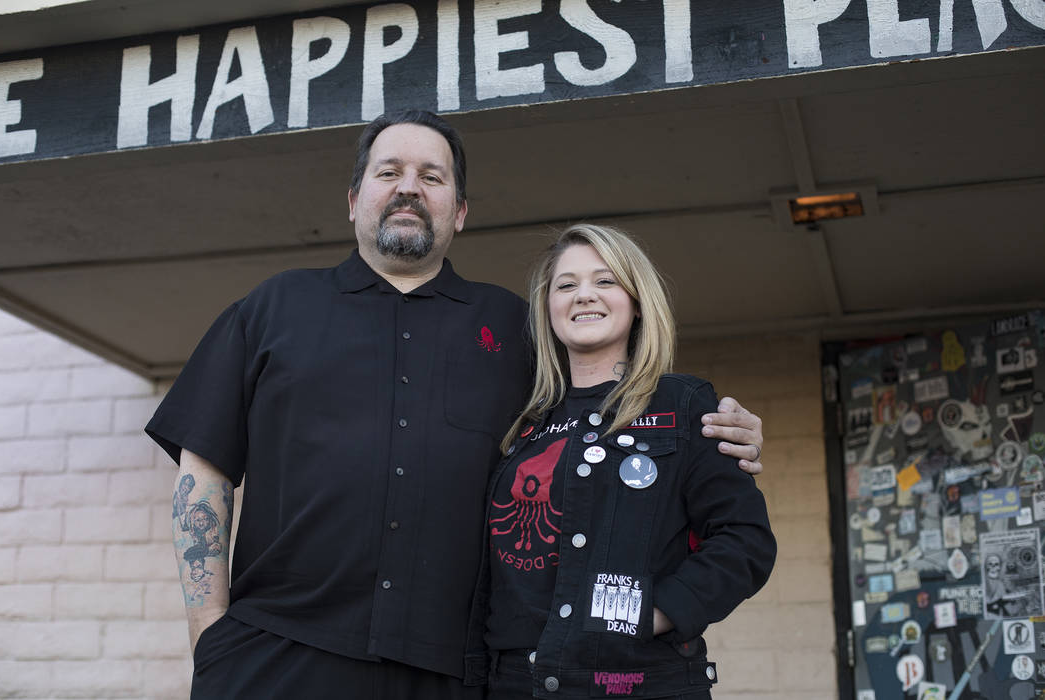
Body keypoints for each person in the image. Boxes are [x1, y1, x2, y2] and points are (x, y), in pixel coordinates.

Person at [145, 110, 766, 699]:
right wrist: (210, 636)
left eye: (432, 177)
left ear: (460, 211)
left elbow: (599, 405)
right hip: (278, 654)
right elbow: (205, 472)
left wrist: (716, 432)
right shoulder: (273, 309)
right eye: (388, 172)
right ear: (354, 200)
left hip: (450, 672)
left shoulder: (516, 330)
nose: (409, 188)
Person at [467, 224, 776, 699]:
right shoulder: (519, 422)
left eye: (605, 281)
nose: (583, 295)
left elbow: (745, 540)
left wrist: (654, 613)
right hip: (513, 684)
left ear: (636, 301)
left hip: (633, 682)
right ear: (548, 308)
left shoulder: (682, 404)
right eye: (566, 285)